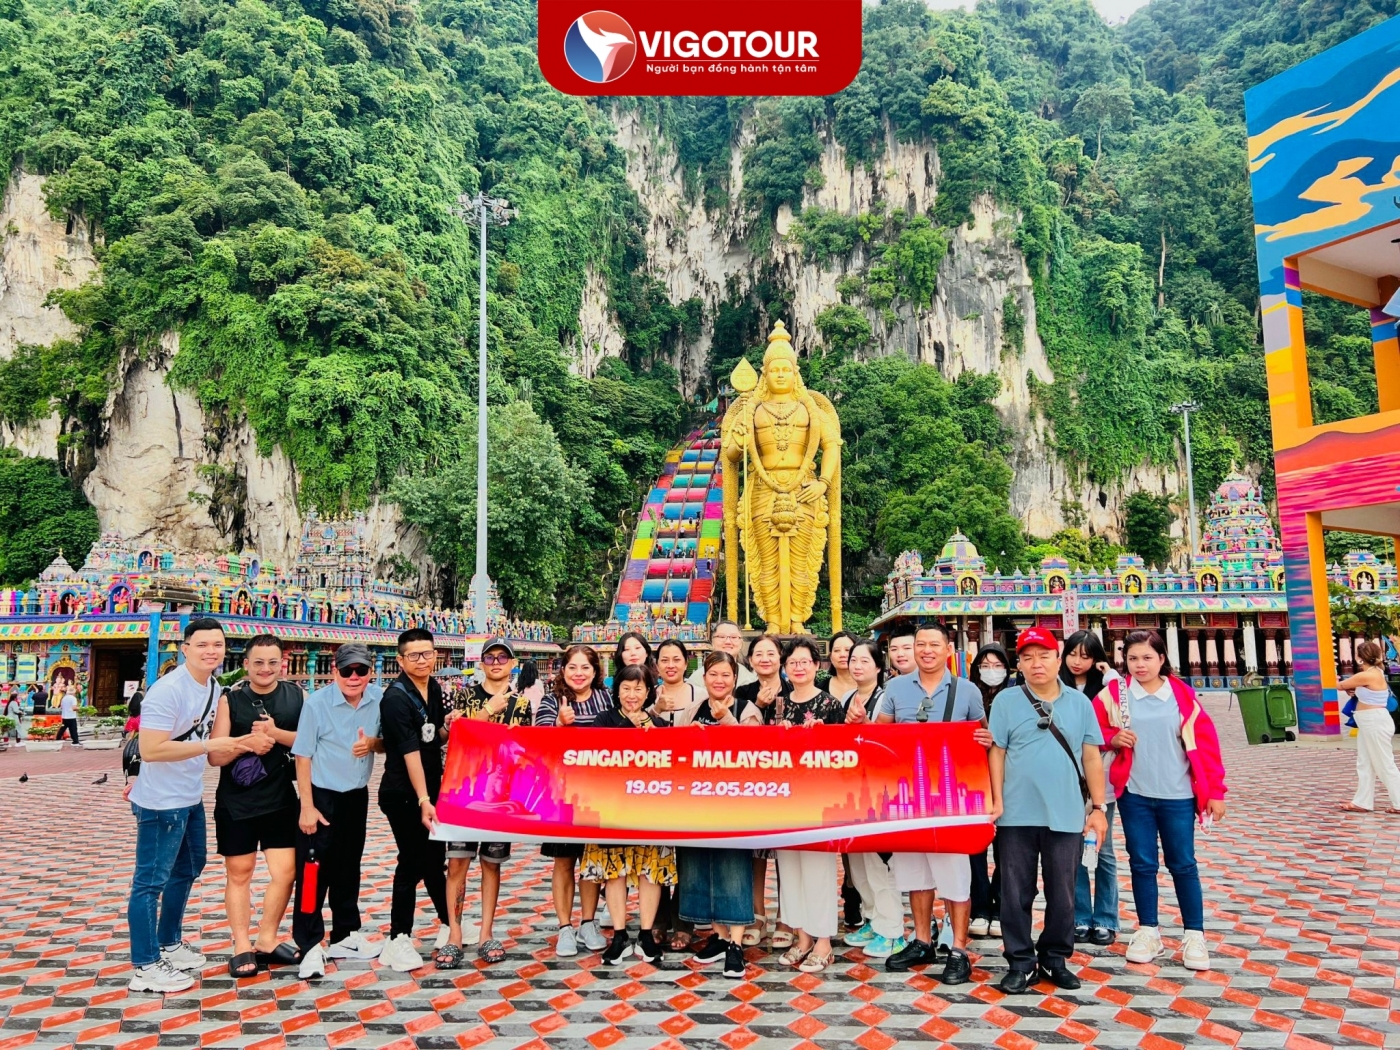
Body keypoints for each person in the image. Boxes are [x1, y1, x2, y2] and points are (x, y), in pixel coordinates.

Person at [127, 618, 252, 993]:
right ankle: (146, 965)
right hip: (161, 802)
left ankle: (169, 942)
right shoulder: (168, 690)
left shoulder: (213, 686)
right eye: (202, 645)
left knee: (189, 867)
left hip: (189, 796)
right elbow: (151, 749)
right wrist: (209, 745)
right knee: (149, 883)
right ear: (185, 649)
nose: (211, 651)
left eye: (217, 644)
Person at [1095, 630, 1227, 972]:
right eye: (1132, 658)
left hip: (1178, 795)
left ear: (1162, 659)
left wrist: (1215, 792)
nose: (1140, 665)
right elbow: (1091, 732)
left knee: (1183, 864)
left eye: (1147, 658)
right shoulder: (1115, 694)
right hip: (1135, 795)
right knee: (1142, 863)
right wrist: (1113, 738)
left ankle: (1194, 935)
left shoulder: (1181, 695)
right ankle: (1148, 931)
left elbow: (1206, 745)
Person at [989, 627, 1108, 994]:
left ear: (1058, 660)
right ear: (1019, 665)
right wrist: (997, 800)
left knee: (1063, 894)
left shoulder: (1080, 703)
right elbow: (997, 752)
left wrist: (1099, 808)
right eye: (1027, 658)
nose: (1036, 664)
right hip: (1015, 815)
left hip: (1066, 813)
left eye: (1043, 656)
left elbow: (1091, 757)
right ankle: (1021, 962)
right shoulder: (1006, 702)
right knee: (1014, 894)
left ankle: (1054, 958)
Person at [876, 622, 988, 982]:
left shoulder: (966, 691)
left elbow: (981, 736)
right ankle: (922, 940)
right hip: (910, 797)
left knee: (955, 876)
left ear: (948, 650)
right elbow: (879, 735)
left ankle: (958, 948)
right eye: (920, 644)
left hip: (952, 800)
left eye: (934, 645)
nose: (926, 650)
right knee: (916, 874)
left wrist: (984, 741)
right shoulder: (895, 688)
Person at [209, 634, 304, 977]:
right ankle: (241, 944)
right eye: (259, 662)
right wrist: (247, 744)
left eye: (273, 662)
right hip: (237, 802)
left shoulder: (297, 696)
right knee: (240, 873)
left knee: (286, 872)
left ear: (283, 664)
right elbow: (215, 755)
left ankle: (267, 938)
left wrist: (276, 734)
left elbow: (310, 742)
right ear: (246, 664)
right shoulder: (231, 700)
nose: (266, 668)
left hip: (280, 799)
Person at [291, 643, 385, 980]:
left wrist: (371, 744)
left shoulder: (378, 699)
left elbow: (387, 742)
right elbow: (302, 755)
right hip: (321, 796)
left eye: (361, 670)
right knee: (313, 872)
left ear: (370, 673)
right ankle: (309, 943)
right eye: (347, 671)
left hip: (355, 796)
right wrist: (307, 806)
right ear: (335, 671)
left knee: (349, 867)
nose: (354, 677)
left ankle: (345, 934)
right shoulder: (317, 704)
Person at [443, 638, 529, 967]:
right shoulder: (465, 696)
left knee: (491, 864)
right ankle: (454, 933)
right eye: (490, 658)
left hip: (500, 793)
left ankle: (486, 932)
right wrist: (488, 711)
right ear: (481, 663)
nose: (495, 663)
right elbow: (459, 736)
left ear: (512, 664)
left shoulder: (522, 704)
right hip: (465, 790)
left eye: (502, 658)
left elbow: (526, 749)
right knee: (457, 863)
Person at [583, 665, 675, 965]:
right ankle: (620, 935)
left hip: (650, 808)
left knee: (651, 870)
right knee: (614, 871)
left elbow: (671, 760)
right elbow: (596, 754)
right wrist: (627, 727)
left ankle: (646, 934)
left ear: (648, 692)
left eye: (638, 689)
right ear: (617, 691)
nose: (632, 695)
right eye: (626, 688)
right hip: (612, 808)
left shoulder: (659, 724)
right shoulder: (604, 720)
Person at [679, 651, 757, 979]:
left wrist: (727, 721)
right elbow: (675, 753)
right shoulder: (692, 710)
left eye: (726, 674)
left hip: (735, 805)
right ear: (704, 677)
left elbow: (756, 752)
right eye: (713, 674)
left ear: (735, 679)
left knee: (733, 868)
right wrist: (688, 735)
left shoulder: (747, 709)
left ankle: (736, 944)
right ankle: (719, 936)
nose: (719, 680)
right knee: (700, 867)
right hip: (697, 804)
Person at [377, 628, 451, 973]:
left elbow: (433, 738)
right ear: (401, 660)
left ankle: (449, 923)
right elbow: (410, 752)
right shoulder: (395, 698)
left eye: (427, 653)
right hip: (403, 794)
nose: (422, 660)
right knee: (411, 862)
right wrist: (423, 799)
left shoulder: (433, 687)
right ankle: (397, 938)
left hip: (430, 790)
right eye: (414, 655)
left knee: (434, 860)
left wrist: (451, 727)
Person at [535, 645, 614, 958]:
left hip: (598, 794)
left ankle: (588, 922)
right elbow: (538, 742)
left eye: (585, 668)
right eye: (572, 667)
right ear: (563, 670)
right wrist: (558, 724)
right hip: (562, 794)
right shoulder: (551, 700)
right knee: (564, 861)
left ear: (595, 671)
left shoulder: (607, 698)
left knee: (592, 861)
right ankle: (565, 926)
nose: (579, 673)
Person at [773, 637, 846, 973]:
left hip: (819, 801)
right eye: (792, 663)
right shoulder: (777, 706)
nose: (798, 668)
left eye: (805, 661)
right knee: (789, 872)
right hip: (784, 799)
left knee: (818, 871)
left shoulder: (830, 705)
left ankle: (823, 942)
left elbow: (844, 754)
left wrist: (821, 735)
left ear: (817, 665)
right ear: (785, 668)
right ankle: (801, 937)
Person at [838, 640, 906, 960]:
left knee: (880, 864)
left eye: (865, 661)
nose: (857, 665)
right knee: (858, 864)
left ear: (879, 667)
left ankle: (892, 931)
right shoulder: (847, 698)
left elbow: (888, 743)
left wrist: (863, 724)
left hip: (879, 791)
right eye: (853, 660)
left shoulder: (886, 699)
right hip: (853, 789)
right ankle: (872, 918)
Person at [1060, 630, 1123, 947]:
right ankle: (1081, 917)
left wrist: (1111, 676)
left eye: (1086, 656)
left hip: (1100, 778)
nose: (1077, 662)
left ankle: (1107, 919)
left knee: (1103, 848)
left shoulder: (1107, 689)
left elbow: (1125, 711)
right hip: (1066, 779)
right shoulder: (1057, 687)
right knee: (1074, 848)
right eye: (1073, 654)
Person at [733, 634, 791, 946]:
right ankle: (757, 914)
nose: (765, 659)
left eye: (771, 653)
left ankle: (785, 916)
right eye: (759, 654)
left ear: (780, 658)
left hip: (789, 782)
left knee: (786, 852)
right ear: (751, 660)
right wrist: (757, 706)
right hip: (753, 781)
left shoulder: (795, 690)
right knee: (755, 851)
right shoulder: (742, 692)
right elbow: (734, 735)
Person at [968, 643, 1011, 940]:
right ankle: (980, 907)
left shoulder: (1017, 697)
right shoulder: (968, 697)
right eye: (985, 666)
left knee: (1008, 847)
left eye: (998, 666)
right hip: (973, 780)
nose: (991, 671)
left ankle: (1001, 906)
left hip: (1010, 782)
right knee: (975, 849)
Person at [1338, 640, 1400, 814]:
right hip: (1368, 722)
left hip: (1374, 722)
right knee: (1364, 763)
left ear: (1360, 657)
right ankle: (1362, 802)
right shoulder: (1374, 673)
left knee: (1384, 764)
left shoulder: (1368, 674)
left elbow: (1340, 685)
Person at [687, 621, 757, 691]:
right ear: (712, 641)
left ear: (741, 643)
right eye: (721, 637)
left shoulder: (749, 680)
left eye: (734, 637)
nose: (728, 642)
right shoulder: (696, 680)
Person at [821, 630, 858, 697]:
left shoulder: (872, 686)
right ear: (830, 656)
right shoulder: (820, 689)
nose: (842, 655)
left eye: (848, 650)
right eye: (837, 650)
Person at [55, 682, 81, 747]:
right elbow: (74, 708)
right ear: (73, 692)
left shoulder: (64, 698)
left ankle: (58, 738)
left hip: (64, 716)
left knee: (63, 728)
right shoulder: (73, 698)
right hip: (71, 716)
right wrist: (80, 709)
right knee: (73, 729)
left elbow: (61, 707)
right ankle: (75, 741)